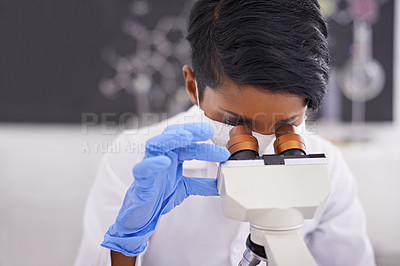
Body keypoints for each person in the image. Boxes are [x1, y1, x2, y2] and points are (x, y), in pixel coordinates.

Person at [75, 0, 376, 265]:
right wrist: (126, 244)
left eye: (286, 124)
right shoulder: (134, 160)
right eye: (236, 122)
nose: (259, 143)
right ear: (193, 86)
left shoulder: (329, 170)